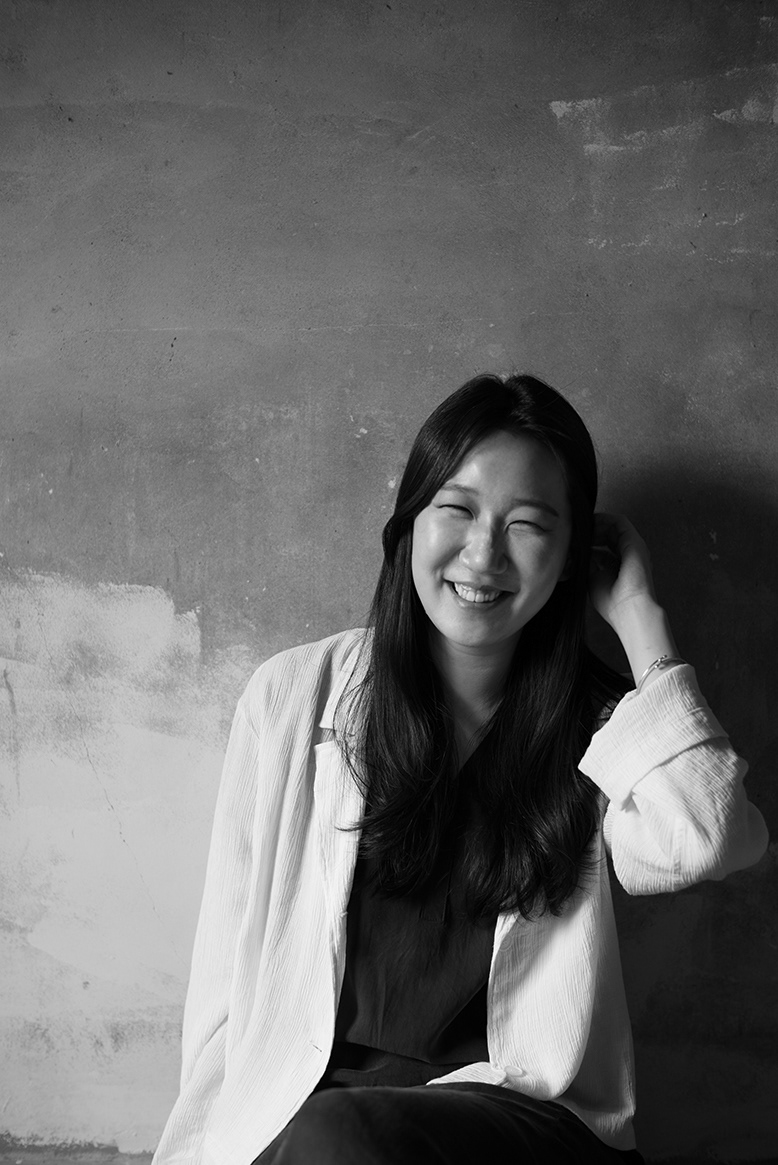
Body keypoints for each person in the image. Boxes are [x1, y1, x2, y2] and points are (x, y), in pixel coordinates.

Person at [152, 374, 768, 1165]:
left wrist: (642, 622)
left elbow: (707, 838)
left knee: (335, 1137)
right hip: (307, 1114)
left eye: (527, 524)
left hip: (518, 1120)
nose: (484, 554)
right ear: (411, 521)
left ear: (571, 557)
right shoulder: (291, 696)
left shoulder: (606, 727)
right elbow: (225, 992)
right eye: (458, 509)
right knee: (319, 1137)